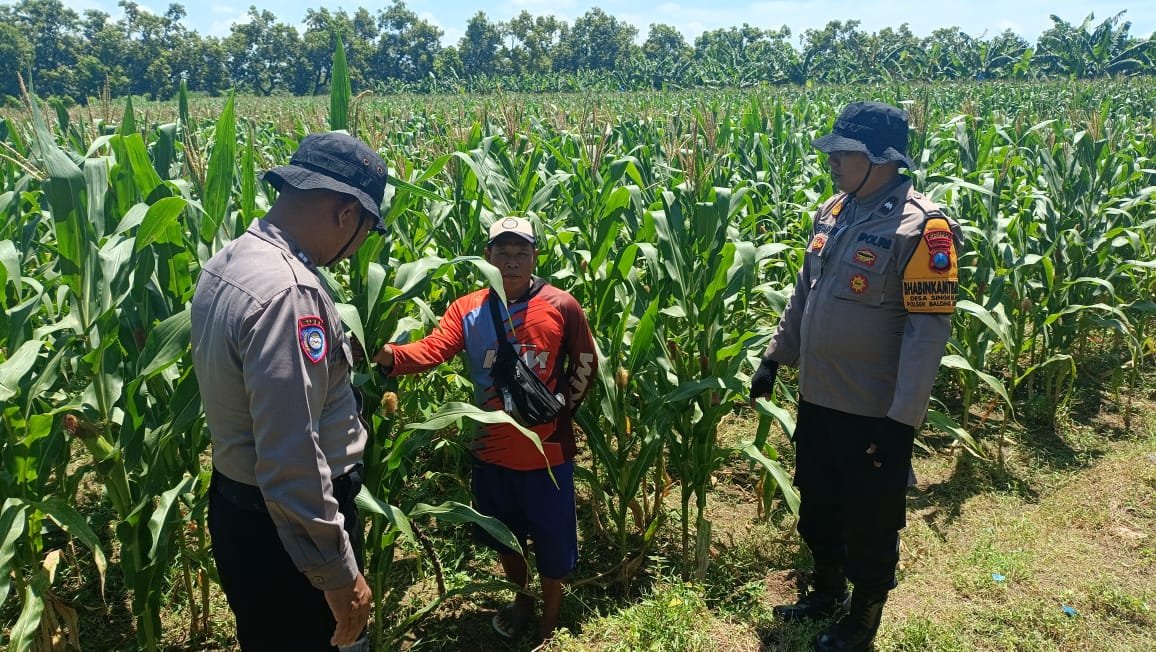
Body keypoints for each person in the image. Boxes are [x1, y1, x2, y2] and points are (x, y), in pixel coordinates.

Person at [750, 101, 963, 652]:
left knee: (870, 519)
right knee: (818, 501)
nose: (833, 164)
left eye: (844, 155)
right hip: (820, 398)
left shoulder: (923, 228)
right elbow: (805, 292)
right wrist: (776, 356)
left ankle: (863, 618)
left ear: (882, 160)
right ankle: (825, 590)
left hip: (873, 410)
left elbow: (927, 334)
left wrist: (903, 423)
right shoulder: (834, 210)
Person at [191, 132, 389, 651]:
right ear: (345, 213)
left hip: (242, 509)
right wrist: (337, 575)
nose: (360, 245)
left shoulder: (231, 259)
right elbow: (291, 457)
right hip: (289, 531)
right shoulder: (289, 294)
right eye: (368, 228)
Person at [373, 217, 597, 643]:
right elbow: (434, 348)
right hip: (491, 449)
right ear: (488, 256)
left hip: (547, 453)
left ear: (534, 257)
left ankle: (549, 625)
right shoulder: (467, 308)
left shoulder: (562, 305)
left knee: (553, 544)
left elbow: (585, 362)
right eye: (503, 253)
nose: (512, 263)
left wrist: (562, 410)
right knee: (505, 538)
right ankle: (522, 601)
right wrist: (389, 356)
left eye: (521, 253)